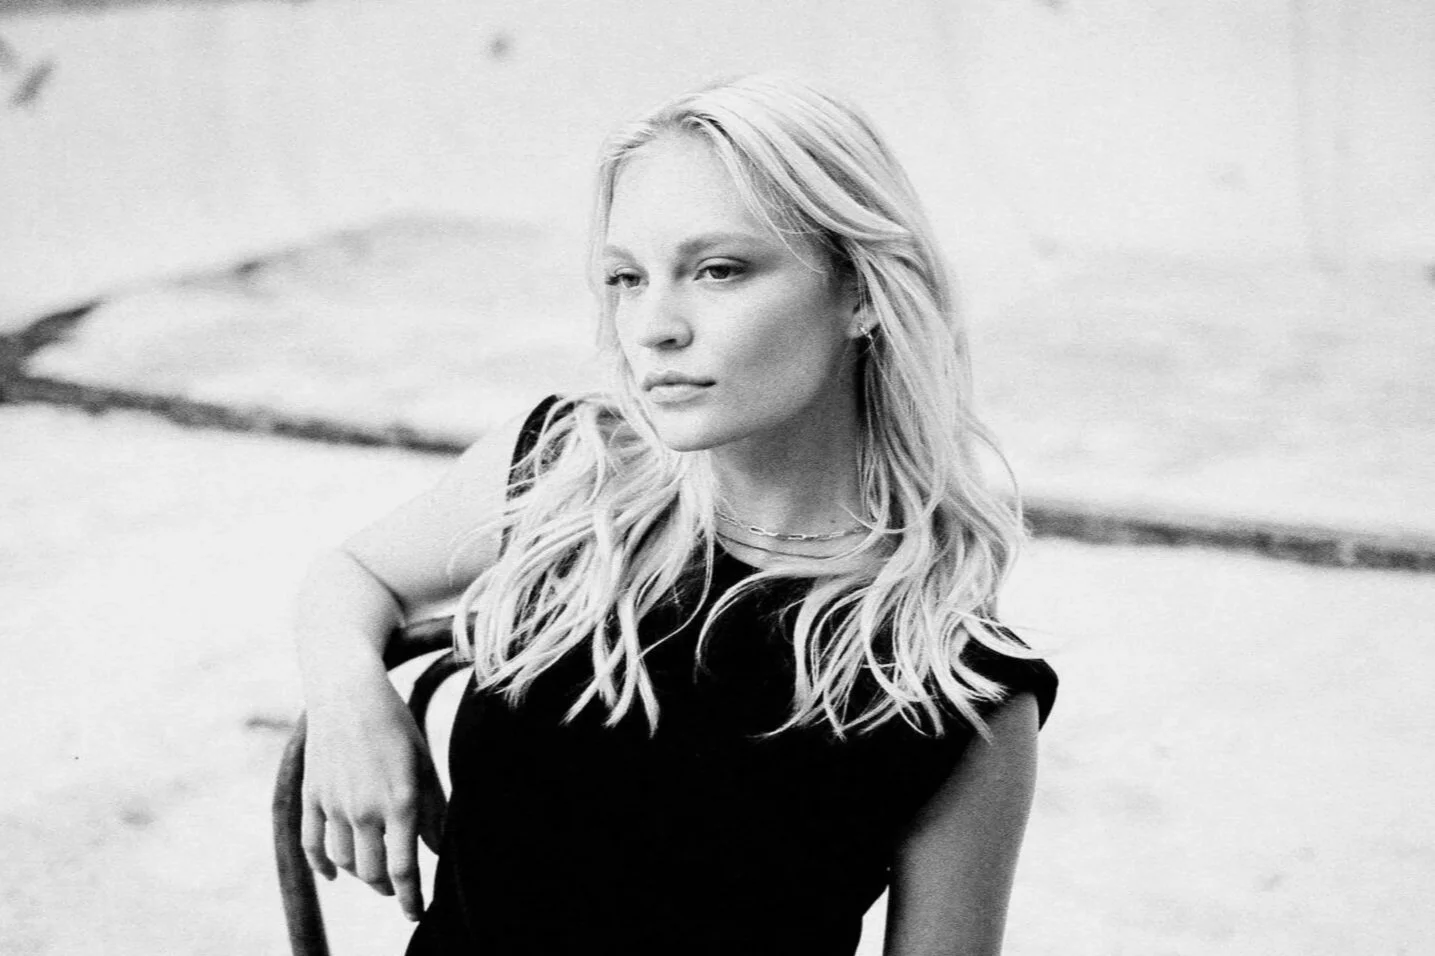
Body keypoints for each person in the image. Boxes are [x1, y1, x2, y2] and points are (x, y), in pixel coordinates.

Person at [294, 73, 1057, 956]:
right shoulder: (571, 474)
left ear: (859, 291)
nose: (652, 326)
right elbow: (352, 573)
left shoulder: (957, 687)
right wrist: (350, 699)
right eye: (626, 277)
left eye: (717, 270)